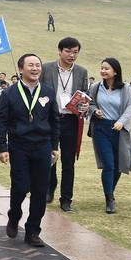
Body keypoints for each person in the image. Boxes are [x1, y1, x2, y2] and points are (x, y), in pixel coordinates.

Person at [0, 54, 60, 248]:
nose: (35, 68)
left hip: (42, 146)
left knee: (40, 190)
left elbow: (54, 120)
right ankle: (14, 215)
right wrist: (2, 147)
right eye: (30, 65)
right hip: (19, 146)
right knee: (20, 186)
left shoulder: (48, 92)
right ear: (21, 69)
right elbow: (1, 121)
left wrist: (54, 146)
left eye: (38, 65)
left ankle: (33, 231)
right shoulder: (9, 93)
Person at [40, 37, 89, 212]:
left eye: (75, 52)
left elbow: (85, 94)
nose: (71, 55)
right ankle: (49, 188)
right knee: (49, 157)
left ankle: (66, 199)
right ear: (59, 51)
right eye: (68, 51)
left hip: (71, 120)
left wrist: (85, 105)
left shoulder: (82, 72)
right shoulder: (46, 69)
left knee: (69, 162)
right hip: (50, 119)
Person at [87, 58, 131, 214]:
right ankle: (109, 199)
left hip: (119, 130)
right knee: (108, 164)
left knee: (118, 165)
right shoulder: (96, 87)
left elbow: (130, 107)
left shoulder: (125, 88)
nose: (103, 71)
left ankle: (111, 190)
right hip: (101, 129)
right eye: (102, 68)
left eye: (106, 68)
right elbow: (90, 103)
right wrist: (95, 111)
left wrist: (121, 122)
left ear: (115, 71)